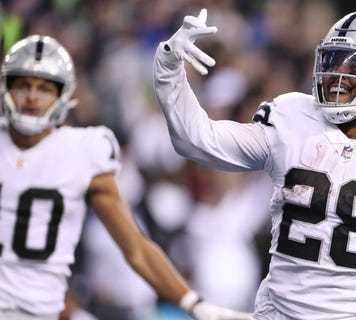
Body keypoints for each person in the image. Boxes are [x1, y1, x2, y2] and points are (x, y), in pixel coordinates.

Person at [154, 8, 356, 320]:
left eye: (353, 62)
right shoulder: (293, 118)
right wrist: (169, 68)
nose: (336, 73)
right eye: (332, 59)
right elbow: (197, 140)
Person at [0, 35, 251, 320]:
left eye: (44, 88)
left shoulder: (82, 150)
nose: (33, 97)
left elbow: (136, 247)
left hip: (44, 310)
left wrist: (193, 303)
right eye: (23, 85)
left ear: (63, 95)